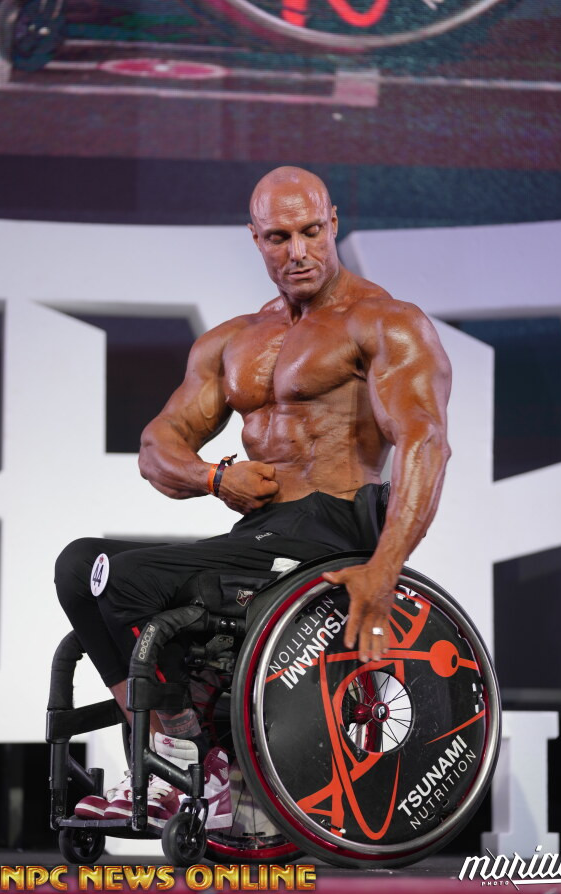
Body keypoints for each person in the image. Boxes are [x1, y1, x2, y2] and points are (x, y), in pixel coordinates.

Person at [55, 165, 451, 832]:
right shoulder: (237, 339)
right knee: (80, 567)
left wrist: (384, 572)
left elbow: (425, 442)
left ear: (333, 223)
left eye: (310, 231)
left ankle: (187, 772)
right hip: (259, 536)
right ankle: (172, 757)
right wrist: (216, 478)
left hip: (329, 529)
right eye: (278, 237)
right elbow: (158, 446)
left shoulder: (385, 322)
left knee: (126, 581)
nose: (297, 251)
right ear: (254, 237)